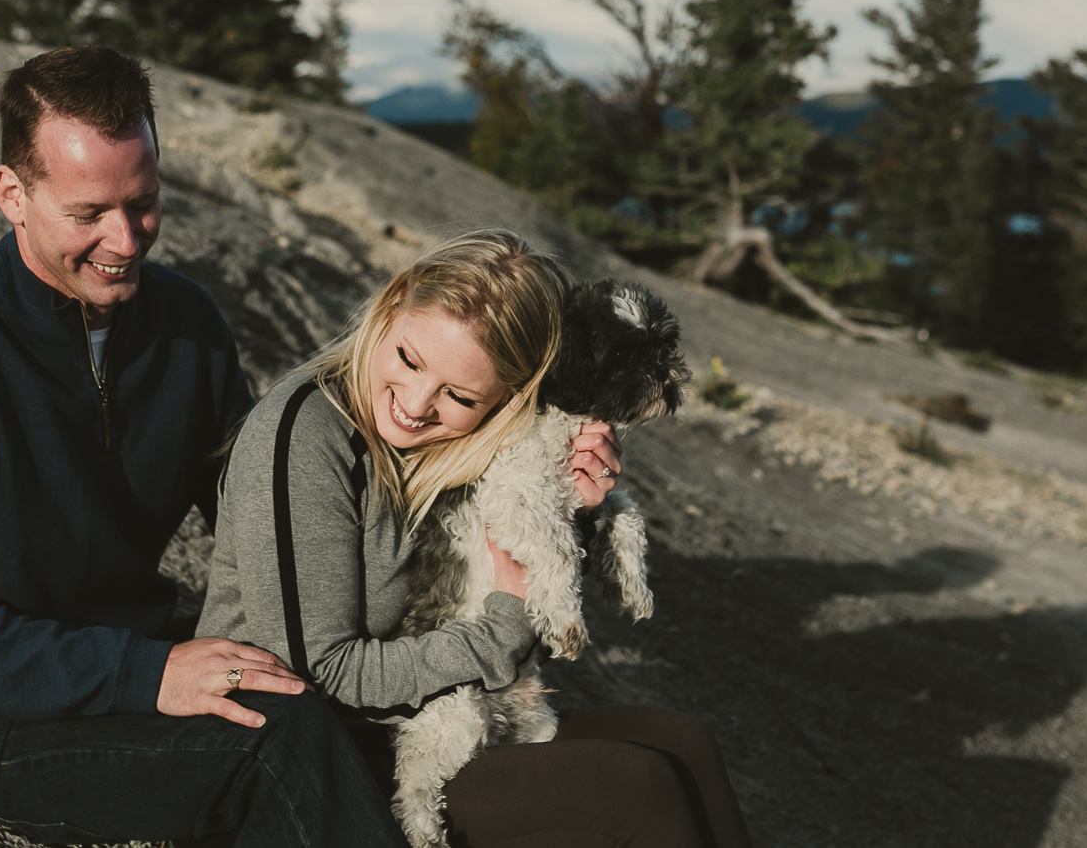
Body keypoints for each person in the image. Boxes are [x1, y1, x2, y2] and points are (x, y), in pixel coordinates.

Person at [0, 45, 410, 847]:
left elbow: (265, 508)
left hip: (129, 651)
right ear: (12, 194)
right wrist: (149, 673)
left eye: (143, 201)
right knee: (276, 739)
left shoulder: (187, 325)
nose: (126, 237)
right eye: (88, 213)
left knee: (364, 715)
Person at [199, 230, 753, 848]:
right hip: (294, 757)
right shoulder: (306, 435)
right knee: (634, 786)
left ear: (509, 399)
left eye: (460, 396)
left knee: (681, 743)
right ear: (394, 303)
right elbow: (318, 673)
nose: (415, 403)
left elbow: (479, 574)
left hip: (407, 718)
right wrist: (502, 628)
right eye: (409, 360)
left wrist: (575, 507)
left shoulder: (462, 445)